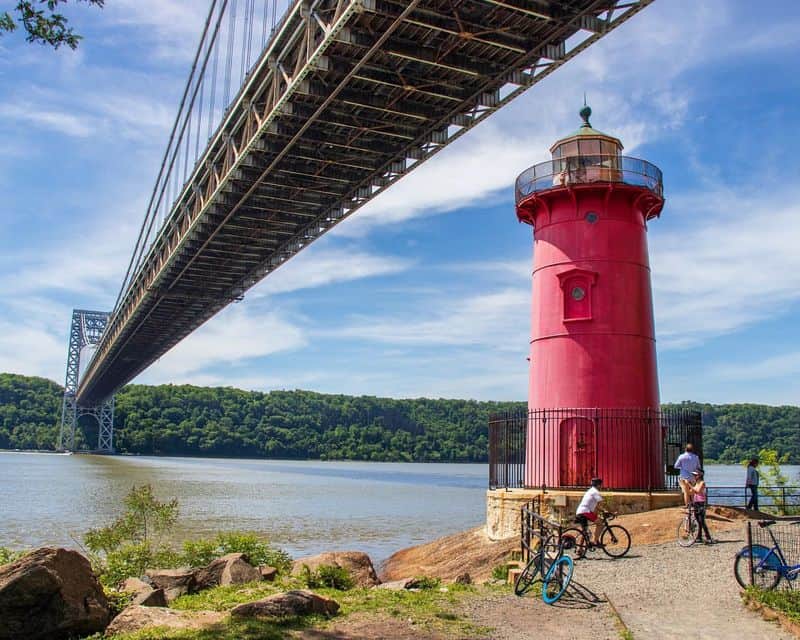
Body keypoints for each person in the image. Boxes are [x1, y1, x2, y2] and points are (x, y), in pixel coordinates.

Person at [576, 477, 604, 545]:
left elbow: (596, 506)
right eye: (601, 485)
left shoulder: (590, 491)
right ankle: (595, 541)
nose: (601, 487)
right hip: (585, 512)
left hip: (581, 511)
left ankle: (580, 550)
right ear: (598, 485)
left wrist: (600, 511)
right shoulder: (595, 492)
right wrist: (608, 511)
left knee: (585, 531)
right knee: (600, 524)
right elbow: (601, 503)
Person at [689, 469, 713, 544]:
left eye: (695, 475)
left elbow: (698, 491)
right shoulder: (696, 483)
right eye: (694, 475)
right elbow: (691, 492)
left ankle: (708, 537)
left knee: (702, 521)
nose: (694, 476)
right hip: (696, 502)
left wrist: (689, 485)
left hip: (701, 503)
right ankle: (699, 537)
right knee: (697, 520)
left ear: (699, 475)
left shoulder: (702, 483)